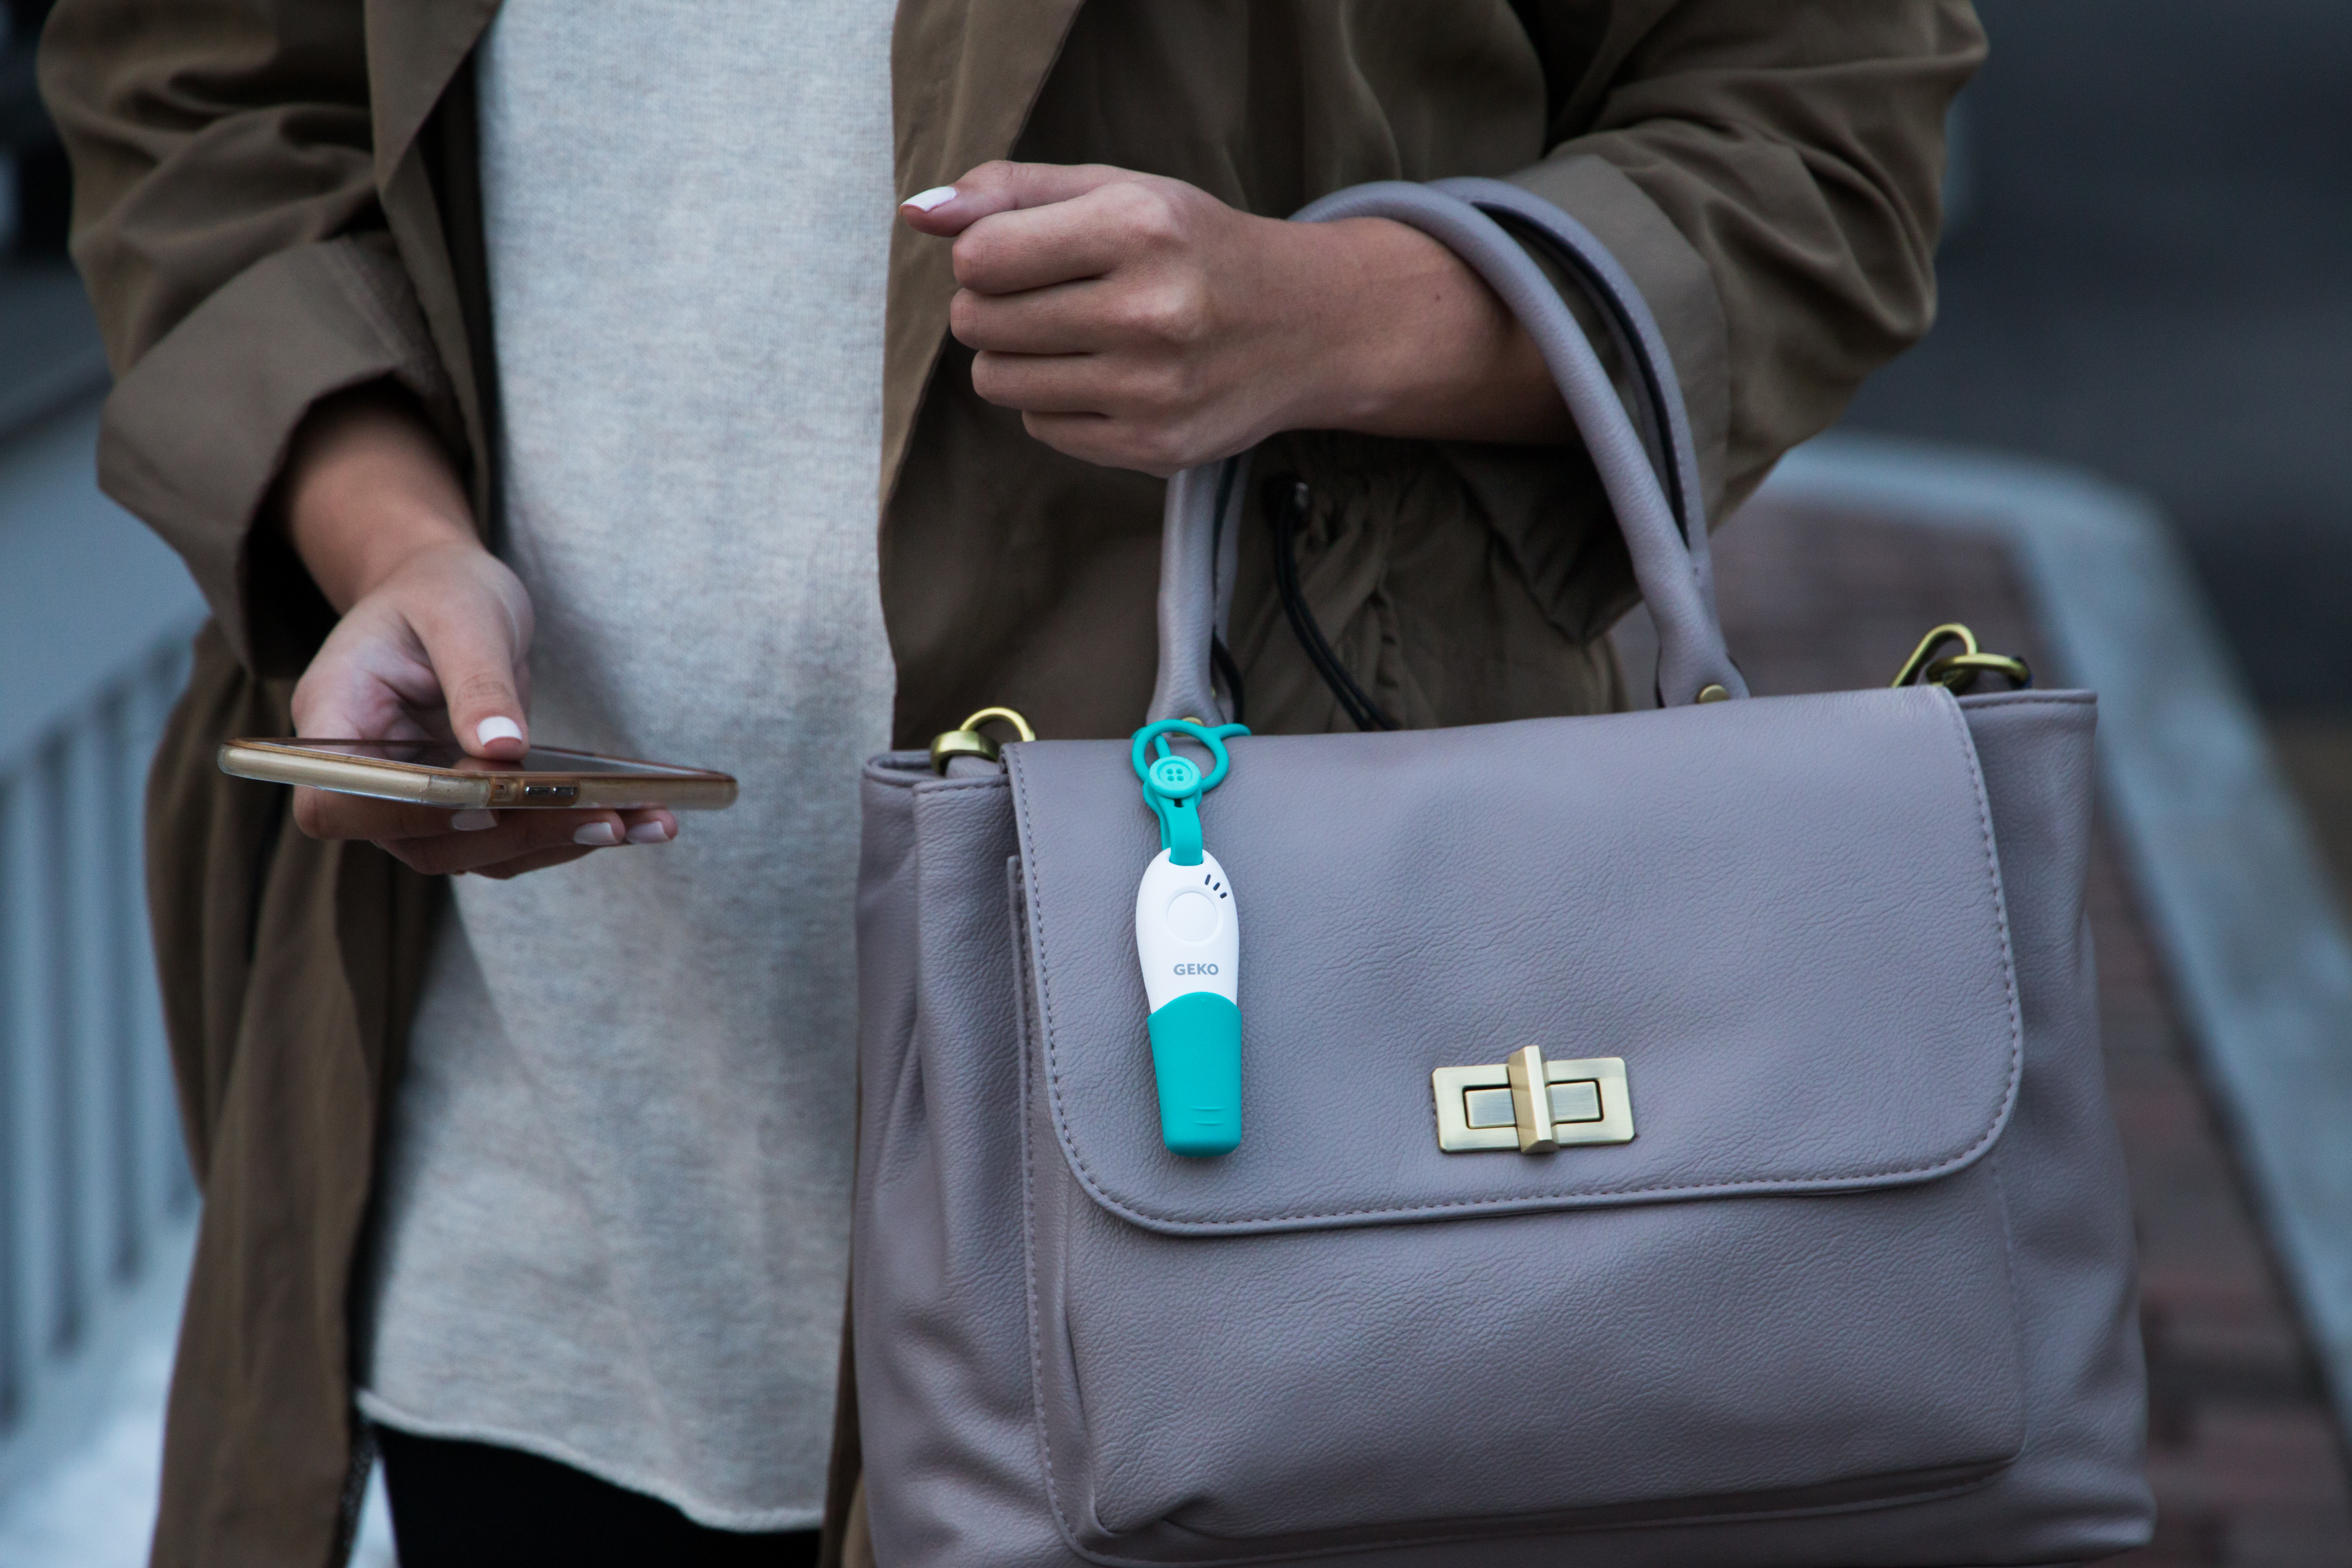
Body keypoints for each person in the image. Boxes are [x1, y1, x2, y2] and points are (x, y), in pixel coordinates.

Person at [38, 2, 1981, 1564]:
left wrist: (1346, 312)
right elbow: (203, 92)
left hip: (1294, 1195)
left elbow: (1818, 116)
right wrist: (379, 534)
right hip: (540, 1150)